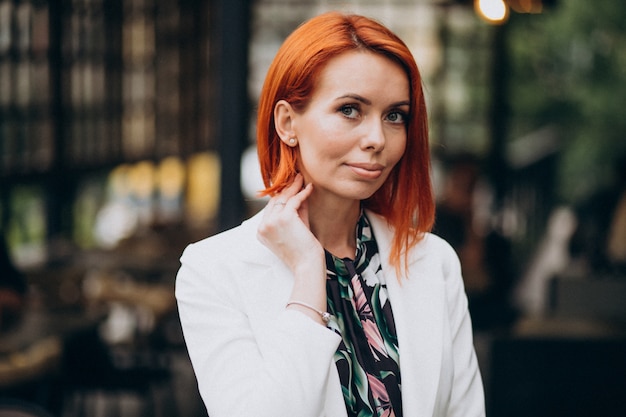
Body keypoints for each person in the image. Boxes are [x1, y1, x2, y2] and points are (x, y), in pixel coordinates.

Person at [176, 12, 485, 417]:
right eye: (350, 110)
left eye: (395, 115)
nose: (377, 139)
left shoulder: (434, 262)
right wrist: (308, 274)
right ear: (288, 122)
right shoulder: (214, 271)